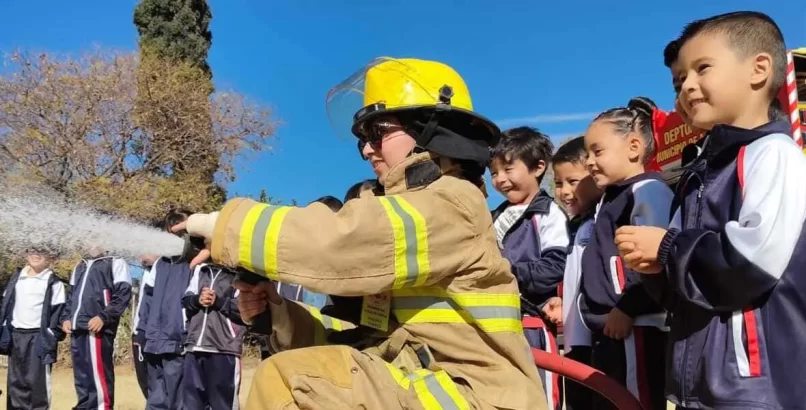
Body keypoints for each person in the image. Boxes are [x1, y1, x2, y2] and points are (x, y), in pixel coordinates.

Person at [174, 57, 547, 409]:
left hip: (476, 397)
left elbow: (339, 243)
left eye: (378, 131)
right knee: (303, 372)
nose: (367, 149)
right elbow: (365, 337)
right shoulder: (419, 213)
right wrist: (279, 313)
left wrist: (223, 226)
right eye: (362, 139)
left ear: (429, 131)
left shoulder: (452, 201)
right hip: (434, 385)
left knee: (287, 379)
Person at [616, 11, 806, 410]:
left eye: (702, 68)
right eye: (678, 81)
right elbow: (686, 288)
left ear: (758, 69)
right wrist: (654, 268)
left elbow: (754, 263)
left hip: (758, 387)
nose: (687, 87)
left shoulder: (775, 155)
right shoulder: (698, 174)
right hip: (708, 385)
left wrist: (668, 249)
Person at [578, 97, 673, 410]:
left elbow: (655, 258)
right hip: (611, 327)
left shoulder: (648, 191)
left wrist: (629, 307)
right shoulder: (609, 198)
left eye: (598, 151)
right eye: (587, 153)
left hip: (636, 326)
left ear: (634, 147)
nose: (589, 161)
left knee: (636, 401)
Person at [489, 126, 568, 410]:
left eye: (508, 169)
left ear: (538, 167)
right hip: (498, 325)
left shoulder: (548, 214)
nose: (500, 180)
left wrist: (505, 274)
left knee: (541, 397)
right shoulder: (494, 217)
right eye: (494, 172)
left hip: (532, 325)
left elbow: (556, 265)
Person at [543, 136, 602, 410]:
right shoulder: (577, 225)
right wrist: (564, 302)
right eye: (558, 183)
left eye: (573, 181)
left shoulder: (602, 220)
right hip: (576, 340)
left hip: (599, 339)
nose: (564, 191)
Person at [136, 209, 196, 410]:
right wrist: (143, 332)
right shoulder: (160, 264)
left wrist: (187, 336)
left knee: (178, 399)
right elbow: (147, 300)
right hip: (154, 342)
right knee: (155, 398)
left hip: (177, 342)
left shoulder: (194, 265)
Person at [61, 245, 132, 410]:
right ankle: (83, 406)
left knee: (98, 376)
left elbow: (122, 295)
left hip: (97, 329)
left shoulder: (116, 262)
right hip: (77, 328)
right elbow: (71, 296)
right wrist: (66, 318)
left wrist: (103, 317)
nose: (91, 243)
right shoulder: (80, 265)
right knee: (82, 376)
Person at [0, 247, 66, 410]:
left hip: (38, 339)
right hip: (16, 337)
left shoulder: (53, 282)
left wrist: (50, 336)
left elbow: (58, 315)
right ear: (25, 253)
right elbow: (5, 306)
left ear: (50, 257)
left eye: (41, 251)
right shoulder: (16, 278)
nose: (36, 255)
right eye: (31, 250)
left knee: (38, 387)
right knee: (16, 385)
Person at [181, 261, 246, 410]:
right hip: (194, 347)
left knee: (223, 405)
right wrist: (197, 300)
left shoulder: (240, 275)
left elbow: (245, 311)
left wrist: (219, 302)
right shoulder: (201, 270)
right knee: (191, 404)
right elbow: (186, 300)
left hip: (224, 349)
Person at [132, 251, 160, 400]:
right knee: (144, 380)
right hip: (139, 334)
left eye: (145, 251)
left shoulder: (163, 272)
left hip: (153, 337)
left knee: (156, 384)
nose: (140, 257)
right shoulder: (145, 273)